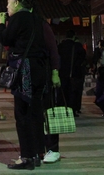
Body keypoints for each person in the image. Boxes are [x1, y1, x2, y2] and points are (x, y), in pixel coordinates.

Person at [0, 0, 48, 170]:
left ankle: (26, 156)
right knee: (36, 113)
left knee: (22, 113)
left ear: (17, 3)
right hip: (39, 69)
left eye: (8, 3)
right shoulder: (37, 19)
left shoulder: (18, 18)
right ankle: (36, 154)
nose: (7, 7)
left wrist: (2, 24)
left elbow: (6, 40)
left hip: (24, 70)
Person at [40, 21, 62, 165]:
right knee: (36, 115)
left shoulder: (42, 27)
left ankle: (52, 149)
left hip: (45, 76)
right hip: (32, 77)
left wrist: (55, 72)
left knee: (48, 113)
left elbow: (53, 52)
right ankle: (40, 148)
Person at [57, 30, 86, 118]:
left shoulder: (60, 46)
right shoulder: (77, 46)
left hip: (61, 73)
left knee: (62, 93)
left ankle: (61, 110)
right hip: (74, 73)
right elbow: (82, 58)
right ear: (74, 36)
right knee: (72, 93)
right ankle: (72, 110)